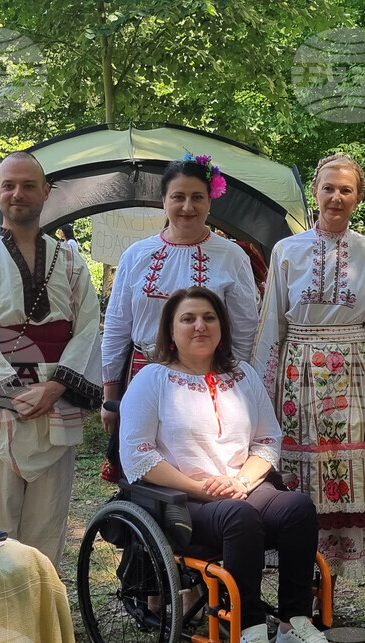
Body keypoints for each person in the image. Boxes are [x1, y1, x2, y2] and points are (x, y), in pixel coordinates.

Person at [119, 286, 344, 643]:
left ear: (222, 327)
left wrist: (241, 480)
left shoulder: (242, 376)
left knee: (297, 508)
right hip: (181, 499)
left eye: (209, 317)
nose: (200, 326)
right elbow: (137, 457)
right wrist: (202, 488)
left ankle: (293, 626)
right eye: (188, 319)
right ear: (170, 331)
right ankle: (249, 635)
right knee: (240, 517)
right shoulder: (152, 379)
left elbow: (267, 440)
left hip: (242, 487)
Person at [0, 151, 102, 567]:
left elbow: (88, 326)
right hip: (0, 408)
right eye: (9, 186)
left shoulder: (70, 259)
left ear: (46, 192)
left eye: (29, 185)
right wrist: (12, 394)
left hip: (57, 403)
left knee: (47, 525)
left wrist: (56, 387)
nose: (18, 194)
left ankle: (41, 605)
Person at [252, 154, 365, 582]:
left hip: (353, 374)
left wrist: (364, 349)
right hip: (298, 374)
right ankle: (303, 581)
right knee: (302, 471)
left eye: (346, 190)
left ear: (358, 197)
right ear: (314, 192)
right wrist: (259, 389)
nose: (336, 197)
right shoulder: (287, 250)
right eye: (328, 188)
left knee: (349, 466)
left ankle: (333, 576)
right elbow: (271, 322)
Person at [101, 154, 259, 480]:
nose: (188, 206)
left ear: (210, 201)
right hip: (142, 376)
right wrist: (110, 398)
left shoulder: (232, 256)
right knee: (145, 470)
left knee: (203, 471)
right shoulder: (136, 255)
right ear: (164, 201)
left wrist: (238, 392)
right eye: (178, 197)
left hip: (209, 380)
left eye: (197, 197)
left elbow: (244, 331)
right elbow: (117, 328)